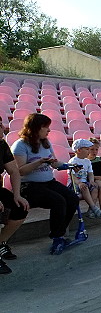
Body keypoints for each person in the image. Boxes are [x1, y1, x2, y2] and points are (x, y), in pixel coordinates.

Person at [11, 113, 80, 255]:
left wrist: (69, 166)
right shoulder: (20, 145)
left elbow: (55, 164)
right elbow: (20, 171)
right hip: (29, 186)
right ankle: (57, 237)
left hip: (49, 182)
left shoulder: (45, 143)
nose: (48, 130)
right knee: (58, 201)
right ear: (35, 128)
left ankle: (58, 231)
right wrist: (39, 162)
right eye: (45, 127)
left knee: (72, 198)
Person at [0, 117, 29, 274]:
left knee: (20, 207)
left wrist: (17, 194)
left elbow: (14, 171)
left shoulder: (2, 145)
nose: (3, 128)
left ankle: (0, 243)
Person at [67, 139, 101, 223]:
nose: (89, 151)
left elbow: (90, 173)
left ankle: (90, 210)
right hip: (75, 184)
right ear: (79, 150)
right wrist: (79, 183)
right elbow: (72, 176)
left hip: (84, 182)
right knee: (84, 188)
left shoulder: (87, 161)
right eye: (87, 149)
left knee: (94, 188)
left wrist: (92, 181)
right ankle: (94, 207)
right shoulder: (73, 161)